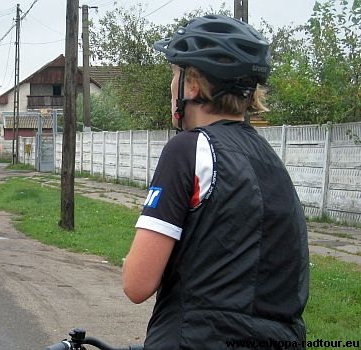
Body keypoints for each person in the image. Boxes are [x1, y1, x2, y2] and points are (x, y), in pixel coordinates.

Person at [121, 15, 309, 349]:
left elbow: (137, 284)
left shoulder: (188, 149)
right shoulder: (272, 162)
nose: (171, 85)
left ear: (192, 85)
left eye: (175, 74)